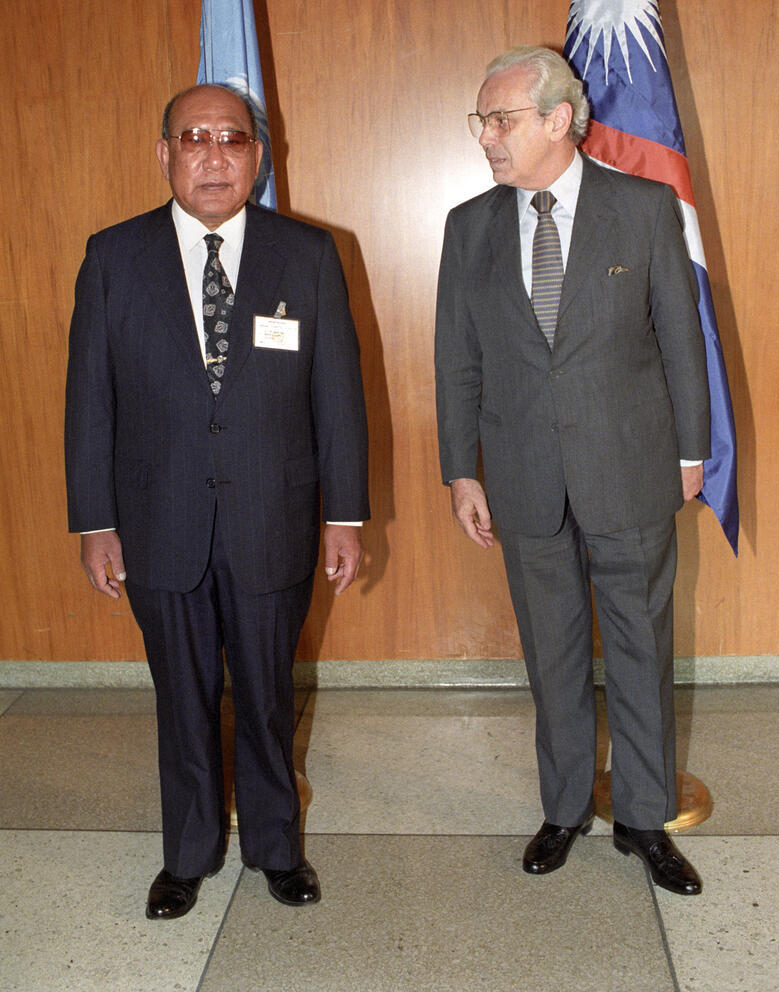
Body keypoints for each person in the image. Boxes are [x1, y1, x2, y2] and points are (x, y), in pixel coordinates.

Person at [65, 84, 369, 918]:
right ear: (164, 153)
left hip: (273, 518)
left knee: (268, 695)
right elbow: (89, 401)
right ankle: (188, 855)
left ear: (257, 156)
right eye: (193, 138)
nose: (212, 155)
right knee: (183, 698)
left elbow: (338, 397)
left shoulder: (307, 254)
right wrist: (95, 522)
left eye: (231, 139)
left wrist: (344, 515)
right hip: (158, 524)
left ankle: (276, 849)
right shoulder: (113, 257)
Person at [435, 47, 709, 896]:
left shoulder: (644, 207)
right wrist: (460, 470)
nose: (486, 136)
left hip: (630, 468)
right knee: (550, 652)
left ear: (559, 119)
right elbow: (456, 359)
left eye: (501, 119)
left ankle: (644, 818)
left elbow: (682, 339)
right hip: (523, 477)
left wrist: (692, 452)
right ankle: (562, 809)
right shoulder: (469, 226)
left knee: (639, 647)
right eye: (482, 120)